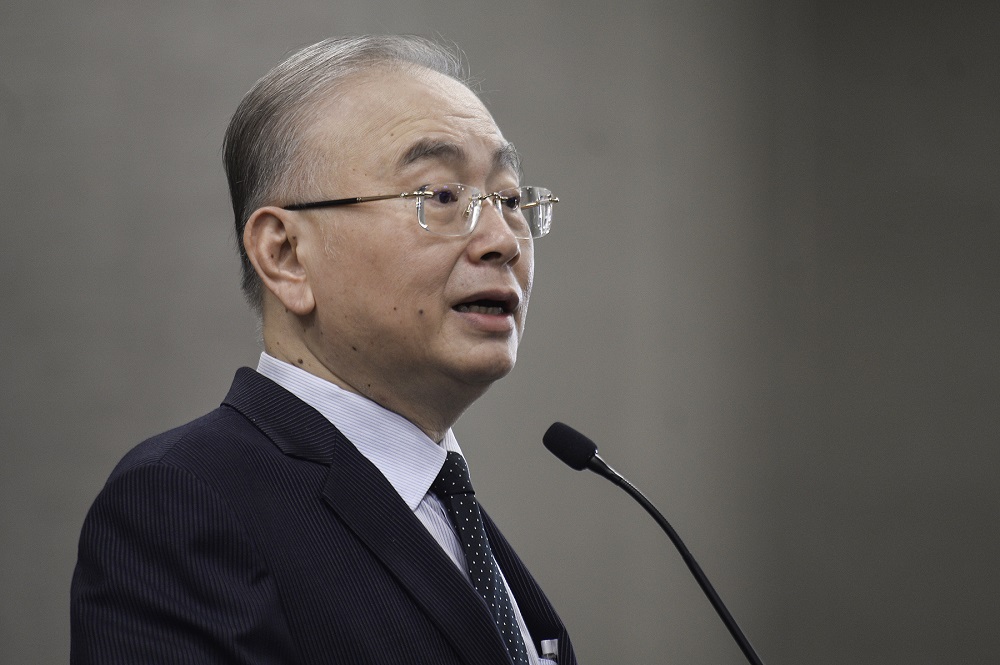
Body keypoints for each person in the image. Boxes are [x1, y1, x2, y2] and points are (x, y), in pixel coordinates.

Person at [70, 35, 574, 665]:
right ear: (285, 256)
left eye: (507, 198)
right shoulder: (185, 502)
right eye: (441, 196)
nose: (502, 239)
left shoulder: (453, 515)